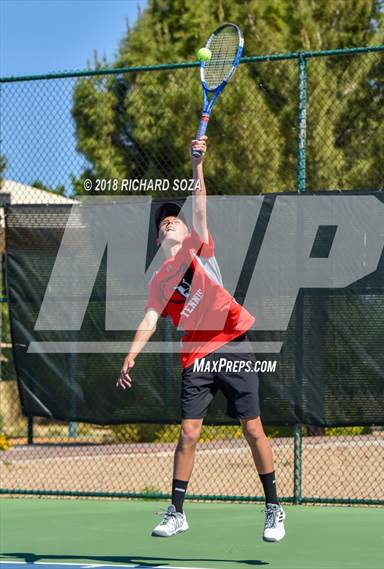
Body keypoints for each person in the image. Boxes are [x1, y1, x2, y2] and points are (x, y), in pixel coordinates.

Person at [117, 136, 286, 542]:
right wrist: (131, 354)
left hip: (232, 343)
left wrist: (197, 165)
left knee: (252, 429)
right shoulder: (159, 280)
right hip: (196, 355)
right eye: (163, 223)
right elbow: (150, 319)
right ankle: (177, 511)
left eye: (174, 218)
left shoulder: (200, 247)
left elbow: (201, 205)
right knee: (188, 433)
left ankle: (273, 508)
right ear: (160, 241)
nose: (170, 221)